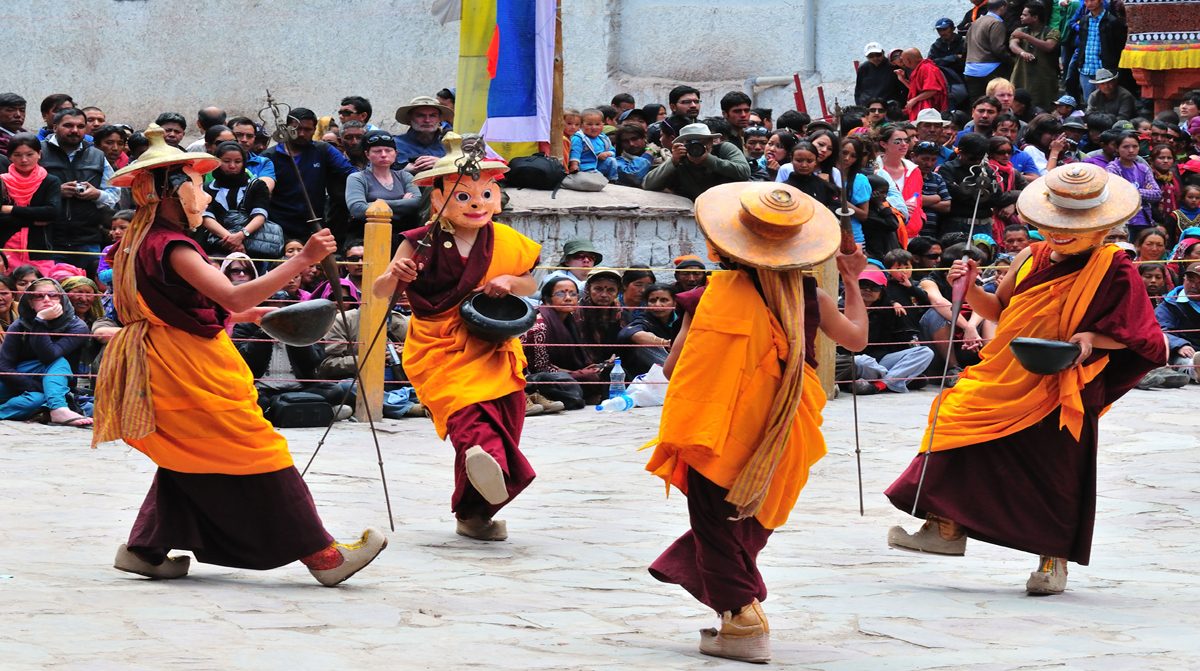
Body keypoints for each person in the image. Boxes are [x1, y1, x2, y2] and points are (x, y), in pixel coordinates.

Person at [94, 124, 385, 585]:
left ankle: (144, 549)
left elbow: (189, 303)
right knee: (258, 449)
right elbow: (228, 298)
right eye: (195, 185)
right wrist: (301, 260)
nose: (204, 196)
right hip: (183, 365)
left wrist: (254, 314)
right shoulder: (171, 244)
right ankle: (324, 557)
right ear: (169, 191)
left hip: (164, 356)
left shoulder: (135, 240)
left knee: (192, 451)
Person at [886, 162, 1168, 595]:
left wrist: (1091, 338)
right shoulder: (1028, 256)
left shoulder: (1116, 267)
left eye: (1074, 225)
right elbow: (1000, 311)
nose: (1061, 232)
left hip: (1065, 380)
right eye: (1054, 222)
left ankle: (1053, 562)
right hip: (1007, 369)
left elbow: (1140, 336)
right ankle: (944, 526)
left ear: (1100, 226)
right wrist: (969, 286)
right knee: (953, 420)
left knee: (1054, 469)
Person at [644, 181, 869, 664]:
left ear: (723, 245)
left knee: (715, 523)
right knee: (743, 521)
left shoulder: (706, 296)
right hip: (785, 428)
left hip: (718, 426)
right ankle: (732, 613)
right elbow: (856, 341)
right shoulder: (812, 296)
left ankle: (743, 619)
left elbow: (670, 369)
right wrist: (850, 280)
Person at [373, 133, 541, 542]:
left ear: (496, 196)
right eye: (463, 197)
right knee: (468, 414)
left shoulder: (505, 240)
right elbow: (379, 291)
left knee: (506, 420)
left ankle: (474, 515)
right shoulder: (420, 241)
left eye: (484, 193)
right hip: (439, 344)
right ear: (438, 200)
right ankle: (484, 459)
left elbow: (531, 282)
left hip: (495, 344)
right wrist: (396, 276)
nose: (477, 204)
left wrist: (508, 280)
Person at [0, 277, 91, 425]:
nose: (47, 300)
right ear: (30, 303)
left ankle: (57, 408)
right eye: (39, 296)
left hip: (52, 383)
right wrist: (41, 319)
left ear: (61, 300)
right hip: (15, 381)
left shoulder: (77, 327)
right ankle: (57, 407)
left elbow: (48, 355)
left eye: (53, 295)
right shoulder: (19, 326)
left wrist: (39, 323)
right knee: (58, 363)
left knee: (35, 400)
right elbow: (3, 367)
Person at [266, 107, 357, 241]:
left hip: (312, 224)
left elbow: (349, 172)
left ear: (315, 130)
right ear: (286, 128)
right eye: (296, 129)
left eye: (307, 129)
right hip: (278, 226)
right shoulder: (269, 156)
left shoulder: (322, 150)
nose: (302, 134)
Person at [39, 109, 112, 264]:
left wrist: (97, 194)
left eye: (80, 126)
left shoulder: (97, 155)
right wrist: (55, 193)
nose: (74, 131)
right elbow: (20, 193)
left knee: (88, 286)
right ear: (55, 127)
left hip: (87, 238)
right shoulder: (38, 152)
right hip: (48, 239)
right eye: (68, 125)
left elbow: (114, 193)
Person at [846, 269, 935, 394]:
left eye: (875, 287)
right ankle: (899, 378)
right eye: (863, 285)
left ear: (881, 293)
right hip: (856, 361)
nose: (868, 290)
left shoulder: (889, 310)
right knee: (862, 361)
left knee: (925, 352)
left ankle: (880, 384)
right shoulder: (841, 308)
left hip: (880, 360)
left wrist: (893, 303)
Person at [520, 277, 604, 407]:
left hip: (558, 375)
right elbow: (541, 369)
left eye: (573, 294)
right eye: (560, 294)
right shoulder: (539, 326)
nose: (568, 298)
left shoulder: (571, 322)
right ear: (547, 301)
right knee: (584, 379)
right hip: (534, 379)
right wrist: (579, 374)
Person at [643, 123, 751, 201]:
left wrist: (708, 159)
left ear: (712, 142)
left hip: (728, 202)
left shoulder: (723, 149)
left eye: (704, 143)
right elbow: (648, 184)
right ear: (683, 144)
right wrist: (673, 161)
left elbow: (744, 172)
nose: (697, 148)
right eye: (691, 144)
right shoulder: (680, 160)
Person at [0, 134, 62, 271]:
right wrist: (33, 221)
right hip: (4, 249)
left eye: (29, 154)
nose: (24, 160)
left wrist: (12, 210)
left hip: (39, 249)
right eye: (17, 155)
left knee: (40, 288)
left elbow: (52, 212)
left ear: (39, 154)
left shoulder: (50, 181)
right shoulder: (1, 182)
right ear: (9, 156)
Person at [200, 142, 272, 256]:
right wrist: (232, 240)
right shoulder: (207, 188)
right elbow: (206, 217)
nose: (232, 166)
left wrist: (241, 235)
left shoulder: (257, 186)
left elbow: (260, 214)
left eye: (238, 161)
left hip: (252, 244)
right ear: (217, 162)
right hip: (217, 246)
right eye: (226, 161)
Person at [344, 130, 420, 233]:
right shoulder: (357, 178)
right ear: (367, 154)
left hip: (403, 234)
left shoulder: (405, 176)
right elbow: (358, 209)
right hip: (367, 234)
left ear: (395, 153)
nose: (384, 155)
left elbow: (416, 204)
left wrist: (374, 203)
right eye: (377, 151)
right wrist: (403, 203)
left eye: (388, 150)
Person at [937, 132, 1004, 237]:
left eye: (980, 158)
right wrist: (982, 194)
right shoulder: (947, 169)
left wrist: (963, 191)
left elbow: (997, 197)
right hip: (955, 224)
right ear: (960, 152)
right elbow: (954, 194)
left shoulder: (988, 171)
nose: (977, 162)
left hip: (983, 225)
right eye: (972, 158)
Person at [1151, 261, 1200, 383]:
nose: (1194, 286)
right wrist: (1179, 345)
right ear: (1184, 280)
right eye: (1190, 280)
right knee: (1184, 358)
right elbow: (1160, 330)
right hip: (1183, 351)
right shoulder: (1169, 304)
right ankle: (1195, 371)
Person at [1106, 133, 1162, 239]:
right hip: (1123, 221)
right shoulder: (1112, 169)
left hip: (1144, 219)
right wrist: (1143, 191)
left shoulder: (1143, 168)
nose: (1131, 150)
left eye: (1135, 146)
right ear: (1117, 148)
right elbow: (1116, 194)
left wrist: (1130, 190)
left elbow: (1157, 194)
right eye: (1126, 147)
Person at [1008, 3, 1061, 111]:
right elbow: (1013, 45)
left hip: (1044, 81)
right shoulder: (1019, 31)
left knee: (1044, 108)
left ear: (1035, 17)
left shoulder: (1052, 32)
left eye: (1025, 15)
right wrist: (1023, 53)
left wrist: (1027, 37)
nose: (1021, 17)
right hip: (1022, 77)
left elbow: (1049, 46)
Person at [1074, 0, 1125, 103]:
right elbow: (1082, 42)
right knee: (1089, 101)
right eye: (1086, 1)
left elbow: (1118, 46)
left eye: (1092, 0)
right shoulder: (1084, 20)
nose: (1089, 3)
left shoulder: (1112, 21)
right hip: (1086, 68)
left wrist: (1113, 66)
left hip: (1105, 69)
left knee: (1107, 101)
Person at [964, 0, 1015, 102]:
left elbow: (965, 45)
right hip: (990, 68)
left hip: (970, 69)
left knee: (977, 102)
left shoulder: (976, 22)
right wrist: (1012, 61)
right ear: (1002, 8)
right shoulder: (996, 23)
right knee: (998, 100)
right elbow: (998, 48)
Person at [393, 96, 453, 174]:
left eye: (433, 115)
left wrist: (442, 163)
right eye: (420, 115)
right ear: (409, 118)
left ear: (440, 118)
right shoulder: (393, 144)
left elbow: (467, 170)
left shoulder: (451, 145)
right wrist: (403, 170)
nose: (427, 120)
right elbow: (376, 174)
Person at [577, 267, 625, 363]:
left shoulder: (623, 316)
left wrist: (616, 356)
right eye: (598, 289)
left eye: (611, 290)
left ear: (617, 292)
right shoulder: (575, 315)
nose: (604, 295)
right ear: (587, 289)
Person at [896, 48, 948, 121]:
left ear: (908, 61)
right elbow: (915, 90)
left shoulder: (927, 68)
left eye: (903, 61)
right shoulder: (920, 68)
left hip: (930, 108)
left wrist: (914, 100)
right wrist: (903, 79)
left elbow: (932, 90)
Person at [568, 109, 618, 181]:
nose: (594, 127)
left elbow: (612, 150)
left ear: (603, 125)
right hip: (586, 167)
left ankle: (612, 180)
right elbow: (575, 152)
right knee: (596, 178)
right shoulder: (579, 138)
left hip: (599, 165)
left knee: (611, 160)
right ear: (581, 125)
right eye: (589, 124)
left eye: (597, 124)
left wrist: (607, 153)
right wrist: (574, 165)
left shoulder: (603, 138)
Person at [227, 116, 277, 188]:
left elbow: (263, 191)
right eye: (239, 135)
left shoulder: (263, 163)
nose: (244, 140)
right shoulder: (215, 161)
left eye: (250, 136)